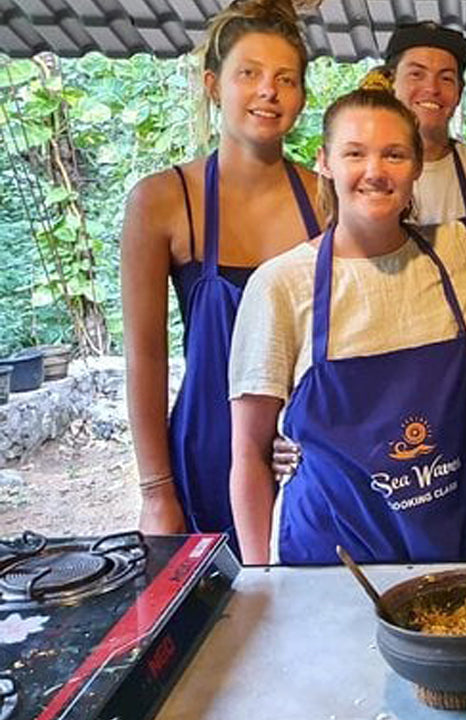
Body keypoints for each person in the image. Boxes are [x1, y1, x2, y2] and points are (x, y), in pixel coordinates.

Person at [228, 87, 466, 565]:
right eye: (355, 153)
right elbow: (250, 455)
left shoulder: (458, 254)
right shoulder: (281, 285)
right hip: (327, 564)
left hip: (452, 550)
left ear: (418, 166)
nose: (375, 171)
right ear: (325, 162)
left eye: (394, 154)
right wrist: (260, 580)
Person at [121, 0, 320, 545]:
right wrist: (156, 492)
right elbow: (145, 356)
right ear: (213, 84)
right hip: (205, 447)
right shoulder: (162, 201)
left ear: (302, 95)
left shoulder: (325, 199)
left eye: (286, 78)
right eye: (248, 74)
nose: (267, 91)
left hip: (299, 458)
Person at [381, 21, 466, 231]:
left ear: (459, 93)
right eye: (416, 74)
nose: (432, 88)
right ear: (390, 83)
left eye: (446, 78)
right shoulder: (362, 171)